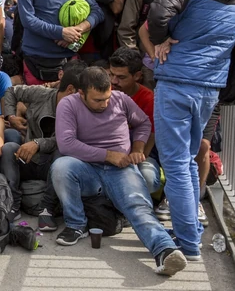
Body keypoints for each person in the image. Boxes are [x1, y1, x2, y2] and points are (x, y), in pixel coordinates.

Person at [147, 0, 235, 262]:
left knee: (176, 164)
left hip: (177, 80)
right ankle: (191, 232)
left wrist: (161, 41)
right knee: (191, 159)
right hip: (211, 86)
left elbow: (158, 14)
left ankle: (188, 244)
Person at [51, 68, 186, 276]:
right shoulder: (68, 104)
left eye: (107, 98)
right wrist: (108, 155)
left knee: (137, 205)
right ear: (81, 93)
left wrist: (138, 148)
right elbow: (66, 144)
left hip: (121, 169)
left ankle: (164, 251)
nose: (104, 104)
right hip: (87, 169)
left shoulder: (120, 99)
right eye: (97, 100)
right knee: (61, 166)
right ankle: (76, 224)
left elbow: (143, 123)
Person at [0, 61, 87, 228]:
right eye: (82, 94)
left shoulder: (81, 111)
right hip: (29, 158)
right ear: (71, 89)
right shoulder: (42, 94)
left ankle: (47, 209)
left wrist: (37, 143)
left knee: (63, 155)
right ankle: (13, 203)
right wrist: (11, 117)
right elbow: (11, 91)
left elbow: (66, 140)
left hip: (51, 162)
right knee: (9, 148)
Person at [108, 48, 161, 195]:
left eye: (121, 77)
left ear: (137, 76)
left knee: (147, 177)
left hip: (139, 154)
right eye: (111, 74)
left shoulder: (148, 99)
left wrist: (137, 156)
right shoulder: (104, 92)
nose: (114, 81)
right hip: (107, 152)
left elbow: (151, 135)